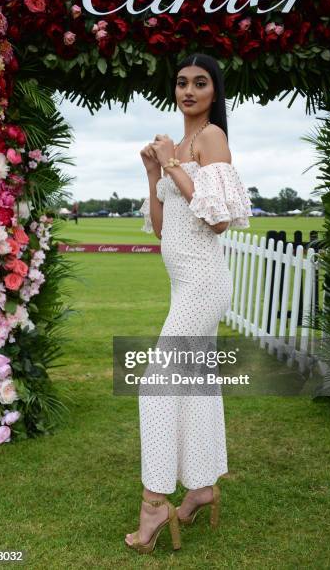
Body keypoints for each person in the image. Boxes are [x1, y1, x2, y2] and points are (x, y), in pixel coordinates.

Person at [125, 53, 252, 554]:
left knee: (156, 386)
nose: (189, 91)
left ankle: (155, 502)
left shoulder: (211, 139)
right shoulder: (176, 145)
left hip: (203, 279)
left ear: (214, 93)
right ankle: (201, 487)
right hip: (183, 281)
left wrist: (174, 165)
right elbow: (162, 226)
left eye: (200, 83)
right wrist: (152, 169)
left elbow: (217, 219)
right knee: (195, 386)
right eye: (181, 83)